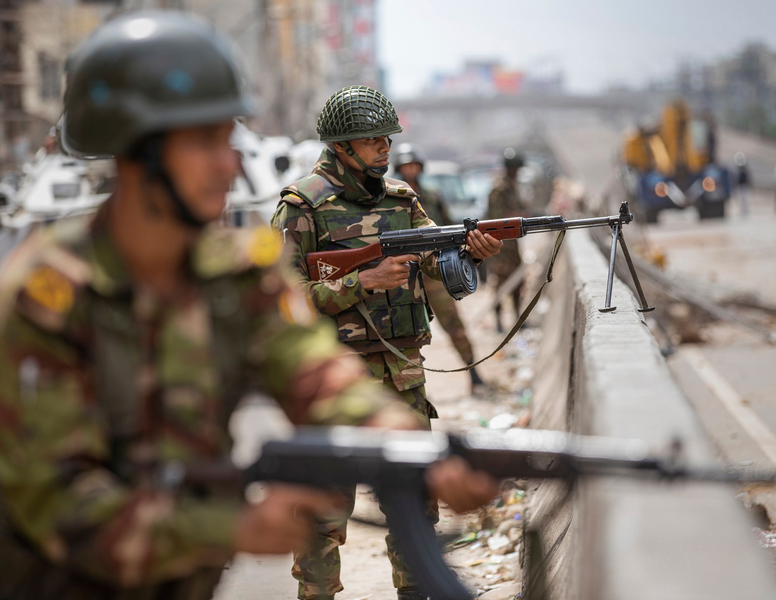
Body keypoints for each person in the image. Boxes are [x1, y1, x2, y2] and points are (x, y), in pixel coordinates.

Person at [0, 14, 497, 600]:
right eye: (204, 144)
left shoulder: (235, 273)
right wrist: (233, 526)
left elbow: (317, 369)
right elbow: (55, 499)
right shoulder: (46, 295)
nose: (229, 165)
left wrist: (403, 443)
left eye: (227, 141)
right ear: (139, 154)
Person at [271, 85, 502, 600]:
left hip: (402, 377)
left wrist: (473, 251)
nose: (385, 148)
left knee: (416, 504)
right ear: (342, 146)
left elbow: (440, 258)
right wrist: (361, 282)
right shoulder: (302, 208)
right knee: (321, 515)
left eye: (387, 139)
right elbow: (279, 307)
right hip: (331, 382)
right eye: (372, 140)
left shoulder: (402, 200)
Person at [392, 142, 486, 393]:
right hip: (401, 272)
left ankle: (473, 371)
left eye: (414, 166)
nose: (410, 170)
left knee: (452, 322)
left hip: (432, 268)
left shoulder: (431, 196)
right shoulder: (393, 199)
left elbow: (447, 228)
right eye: (406, 166)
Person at [487, 148, 527, 333]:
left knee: (518, 282)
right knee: (501, 283)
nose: (515, 172)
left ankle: (519, 317)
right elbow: (495, 218)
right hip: (501, 245)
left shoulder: (513, 186)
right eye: (513, 168)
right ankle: (498, 322)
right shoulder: (500, 189)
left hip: (512, 244)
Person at [734, 151, 751, 217]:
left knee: (745, 199)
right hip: (740, 186)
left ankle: (745, 210)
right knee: (741, 199)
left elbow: (748, 178)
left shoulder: (745, 170)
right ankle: (742, 210)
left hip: (744, 186)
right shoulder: (738, 171)